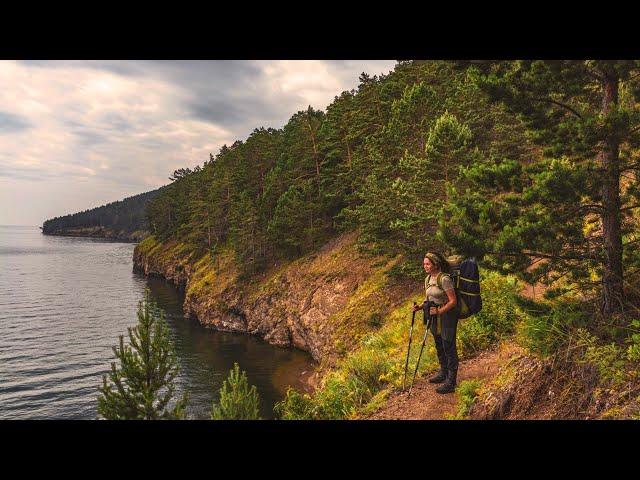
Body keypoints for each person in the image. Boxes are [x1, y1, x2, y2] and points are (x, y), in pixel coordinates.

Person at [413, 251, 459, 394]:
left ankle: (451, 381)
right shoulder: (428, 279)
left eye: (427, 263)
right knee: (439, 344)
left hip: (447, 315)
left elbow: (453, 301)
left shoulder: (444, 279)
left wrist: (439, 311)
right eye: (424, 263)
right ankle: (443, 372)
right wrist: (420, 307)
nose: (424, 266)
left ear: (435, 264)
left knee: (448, 345)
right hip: (433, 315)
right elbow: (429, 298)